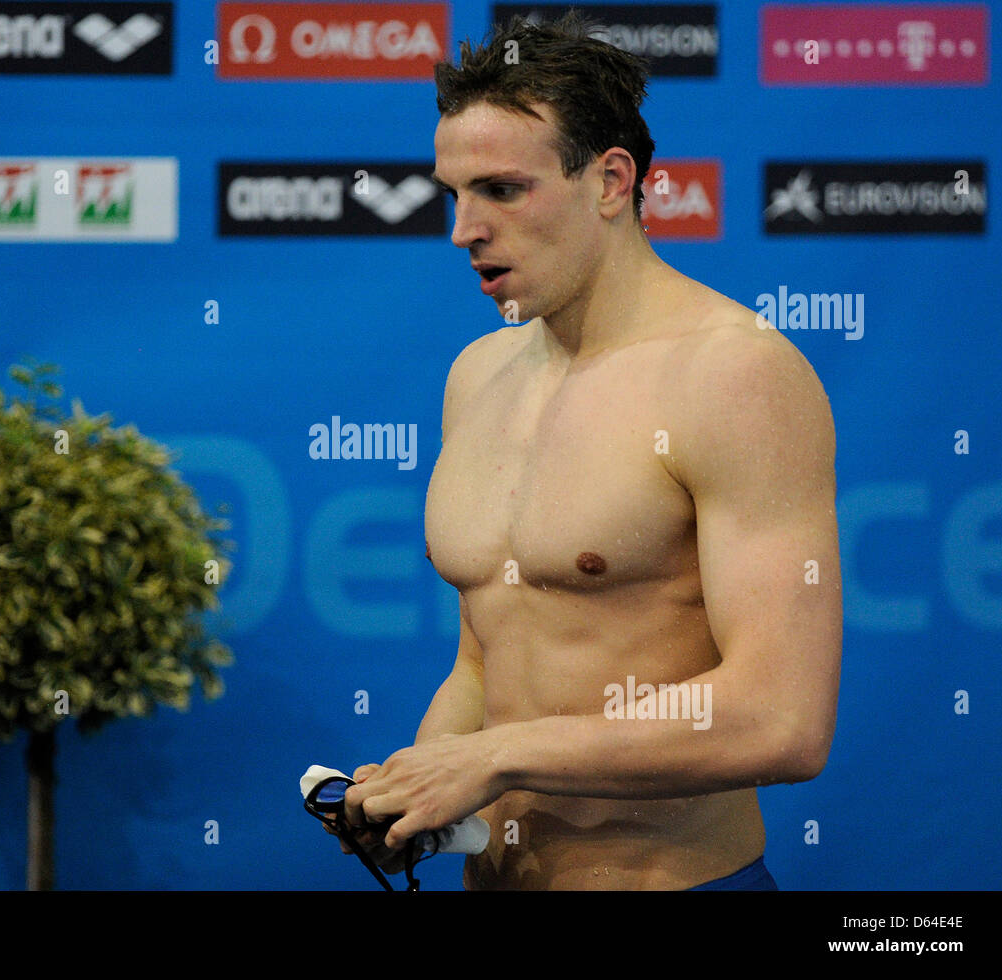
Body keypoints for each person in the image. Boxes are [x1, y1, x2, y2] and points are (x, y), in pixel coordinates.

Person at [326, 10, 841, 890]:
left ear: (610, 182)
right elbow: (484, 663)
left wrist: (500, 759)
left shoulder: (736, 374)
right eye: (454, 194)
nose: (464, 229)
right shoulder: (476, 374)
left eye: (503, 189)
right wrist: (418, 790)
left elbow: (782, 721)